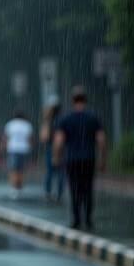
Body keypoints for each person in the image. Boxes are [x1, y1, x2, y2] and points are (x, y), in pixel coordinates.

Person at [54, 85, 107, 230]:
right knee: (88, 188)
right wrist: (103, 158)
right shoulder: (93, 117)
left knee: (75, 188)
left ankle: (76, 218)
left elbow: (59, 141)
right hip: (89, 158)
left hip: (72, 159)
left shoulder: (66, 119)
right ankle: (88, 218)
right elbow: (101, 140)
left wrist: (57, 157)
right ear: (85, 100)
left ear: (72, 100)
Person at [2, 109, 33, 199]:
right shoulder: (27, 125)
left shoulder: (10, 124)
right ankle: (19, 187)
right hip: (24, 149)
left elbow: (6, 137)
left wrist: (3, 147)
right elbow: (30, 139)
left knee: (13, 169)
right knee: (21, 170)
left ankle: (14, 189)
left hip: (13, 149)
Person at [40, 99, 64, 204]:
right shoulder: (63, 120)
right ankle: (59, 194)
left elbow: (44, 138)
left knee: (50, 172)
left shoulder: (49, 122)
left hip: (52, 148)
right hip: (64, 149)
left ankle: (48, 193)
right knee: (61, 173)